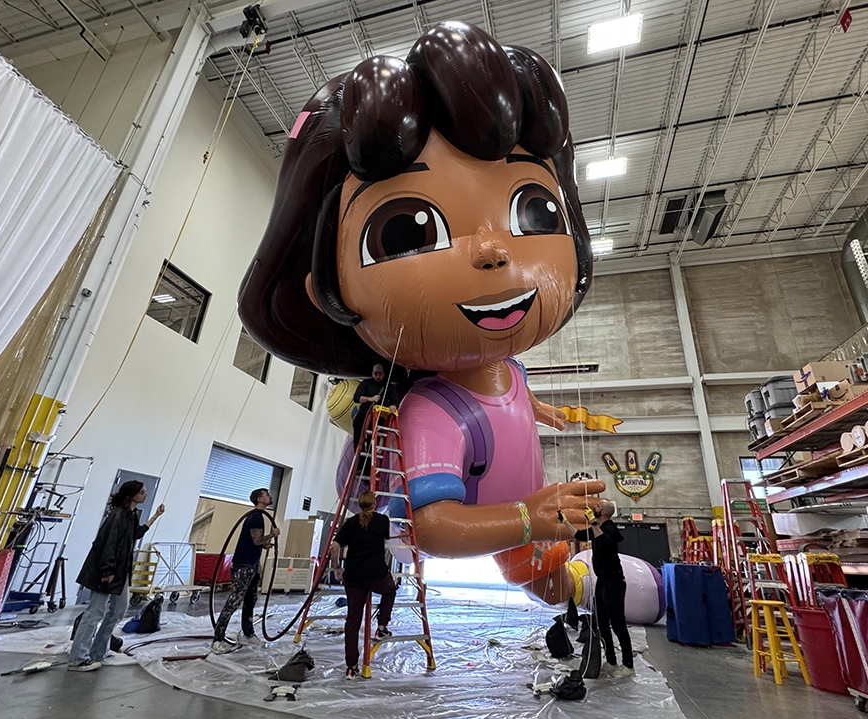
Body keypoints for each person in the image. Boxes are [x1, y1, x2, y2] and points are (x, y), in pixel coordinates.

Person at [236, 21, 606, 609]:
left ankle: (563, 582)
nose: (491, 249)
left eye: (534, 211)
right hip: (498, 513)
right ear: (323, 283)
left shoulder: (509, 369)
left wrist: (558, 413)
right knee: (532, 557)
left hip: (523, 520)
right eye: (407, 228)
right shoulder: (432, 410)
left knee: (553, 578)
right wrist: (528, 515)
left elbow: (518, 399)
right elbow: (432, 527)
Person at [69, 481, 164, 671]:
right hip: (107, 571)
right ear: (132, 495)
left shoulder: (131, 515)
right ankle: (78, 658)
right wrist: (107, 570)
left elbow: (136, 534)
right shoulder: (118, 515)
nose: (145, 495)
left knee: (118, 610)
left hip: (120, 572)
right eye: (142, 492)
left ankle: (99, 651)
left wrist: (156, 516)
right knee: (95, 612)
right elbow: (109, 544)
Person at [330, 490, 397, 679]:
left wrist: (337, 567)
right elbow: (389, 537)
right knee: (390, 590)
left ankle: (351, 667)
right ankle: (382, 627)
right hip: (375, 573)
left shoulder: (350, 523)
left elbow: (335, 546)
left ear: (359, 504)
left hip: (353, 576)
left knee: (353, 621)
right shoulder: (382, 521)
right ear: (375, 503)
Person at [211, 488, 279, 653]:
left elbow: (254, 541)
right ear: (259, 499)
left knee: (250, 600)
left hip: (252, 565)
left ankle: (248, 633)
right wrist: (272, 535)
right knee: (234, 600)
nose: (270, 496)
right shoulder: (256, 517)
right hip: (244, 565)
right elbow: (256, 540)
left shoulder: (258, 516)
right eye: (266, 494)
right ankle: (218, 638)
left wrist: (264, 544)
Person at [573, 499, 633, 676]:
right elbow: (578, 535)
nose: (594, 507)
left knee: (617, 623)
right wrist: (565, 522)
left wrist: (593, 522)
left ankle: (628, 665)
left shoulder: (610, 528)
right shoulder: (596, 529)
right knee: (601, 622)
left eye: (598, 506)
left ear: (604, 513)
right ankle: (612, 661)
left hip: (614, 582)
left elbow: (606, 542)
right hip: (602, 581)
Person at [351, 363, 400, 448]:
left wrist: (394, 407)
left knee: (373, 444)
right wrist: (370, 399)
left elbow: (395, 401)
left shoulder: (388, 386)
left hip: (378, 418)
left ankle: (370, 461)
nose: (377, 376)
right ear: (372, 374)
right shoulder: (366, 383)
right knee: (358, 442)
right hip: (364, 415)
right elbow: (356, 397)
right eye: (375, 374)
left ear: (383, 374)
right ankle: (359, 460)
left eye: (380, 374)